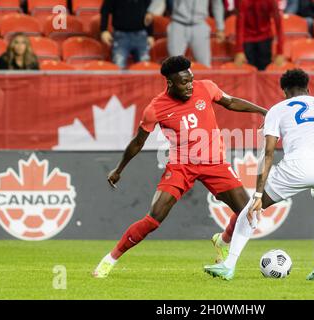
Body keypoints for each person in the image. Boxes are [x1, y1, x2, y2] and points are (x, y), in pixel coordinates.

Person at [93, 56, 268, 278]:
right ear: (170, 83)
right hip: (181, 165)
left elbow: (231, 102)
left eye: (191, 80)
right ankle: (110, 260)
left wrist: (263, 111)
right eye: (184, 82)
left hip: (215, 163)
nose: (189, 85)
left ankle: (222, 240)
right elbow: (138, 142)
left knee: (248, 213)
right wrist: (119, 169)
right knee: (154, 218)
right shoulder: (155, 109)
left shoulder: (206, 88)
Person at [204, 68, 314, 281]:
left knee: (251, 209)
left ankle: (229, 265)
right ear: (308, 89)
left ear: (285, 93)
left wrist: (259, 194)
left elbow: (268, 152)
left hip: (298, 167)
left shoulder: (278, 109)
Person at [150, 0, 226, 67]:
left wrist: (220, 28)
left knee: (204, 64)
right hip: (178, 24)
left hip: (199, 24)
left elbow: (217, 4)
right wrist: (151, 11)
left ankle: (203, 83)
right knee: (174, 64)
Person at [100, 0, 155, 69]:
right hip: (120, 36)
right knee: (118, 67)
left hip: (141, 36)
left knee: (144, 68)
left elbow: (149, 14)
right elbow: (105, 10)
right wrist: (103, 30)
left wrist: (150, 34)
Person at [234, 0, 285, 71]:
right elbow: (239, 25)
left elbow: (279, 25)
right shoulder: (243, 1)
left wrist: (280, 52)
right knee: (248, 72)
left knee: (264, 73)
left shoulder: (272, 1)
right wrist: (239, 50)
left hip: (265, 39)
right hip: (248, 39)